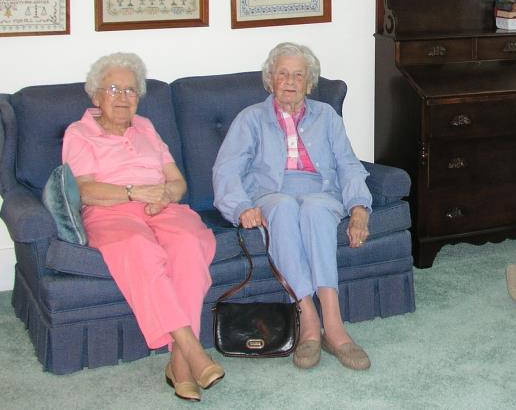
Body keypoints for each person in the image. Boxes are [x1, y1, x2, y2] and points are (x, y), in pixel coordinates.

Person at [63, 53, 223, 401]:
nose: (123, 98)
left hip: (160, 208)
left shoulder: (147, 127)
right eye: (115, 89)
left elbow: (178, 181)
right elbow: (84, 190)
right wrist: (132, 192)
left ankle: (179, 364)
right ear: (96, 96)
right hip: (111, 212)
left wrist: (165, 195)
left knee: (189, 244)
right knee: (139, 249)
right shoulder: (79, 133)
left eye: (131, 91)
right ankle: (191, 351)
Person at [213, 42, 372, 370]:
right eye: (282, 73)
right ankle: (309, 319)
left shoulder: (326, 116)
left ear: (309, 83)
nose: (289, 81)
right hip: (271, 194)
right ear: (269, 79)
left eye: (298, 75)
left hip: (321, 191)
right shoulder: (251, 119)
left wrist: (359, 208)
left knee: (314, 209)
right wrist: (241, 206)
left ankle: (334, 323)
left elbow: (348, 165)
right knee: (284, 208)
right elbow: (226, 169)